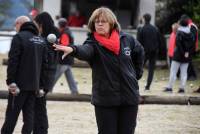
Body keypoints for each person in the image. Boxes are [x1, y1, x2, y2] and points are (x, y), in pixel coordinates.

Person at [54, 7, 144, 134]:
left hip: (129, 98)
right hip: (105, 99)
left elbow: (139, 51)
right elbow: (85, 50)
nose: (100, 24)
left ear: (111, 23)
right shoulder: (93, 43)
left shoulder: (126, 39)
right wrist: (73, 49)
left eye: (103, 21)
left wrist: (136, 74)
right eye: (97, 22)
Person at [1, 16, 46, 134]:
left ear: (19, 24)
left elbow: (13, 61)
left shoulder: (19, 37)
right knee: (29, 117)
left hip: (18, 85)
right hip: (34, 86)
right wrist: (41, 85)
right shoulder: (40, 40)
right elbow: (44, 65)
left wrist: (11, 81)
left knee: (11, 116)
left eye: (15, 25)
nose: (15, 28)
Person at [33, 12, 60, 134]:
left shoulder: (48, 39)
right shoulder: (53, 37)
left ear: (41, 24)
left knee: (39, 107)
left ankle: (42, 130)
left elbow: (45, 62)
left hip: (44, 79)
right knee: (40, 106)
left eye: (37, 24)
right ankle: (41, 129)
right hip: (48, 78)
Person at [164, 16, 195, 93]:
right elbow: (192, 44)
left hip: (178, 55)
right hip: (187, 56)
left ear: (180, 24)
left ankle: (170, 87)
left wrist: (182, 52)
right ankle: (182, 88)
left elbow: (178, 44)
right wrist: (187, 53)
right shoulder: (191, 33)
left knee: (173, 71)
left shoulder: (179, 33)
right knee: (184, 73)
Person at [52, 18, 78, 95]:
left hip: (64, 59)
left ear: (60, 26)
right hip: (68, 59)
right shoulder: (68, 31)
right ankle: (74, 91)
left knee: (55, 76)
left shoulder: (65, 33)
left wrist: (56, 46)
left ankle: (48, 89)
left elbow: (64, 45)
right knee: (70, 77)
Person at [137, 13, 161, 90]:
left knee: (139, 66)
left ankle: (135, 82)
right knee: (151, 69)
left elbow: (139, 42)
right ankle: (148, 86)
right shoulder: (155, 28)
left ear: (144, 19)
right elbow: (159, 41)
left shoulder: (142, 29)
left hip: (144, 51)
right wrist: (157, 49)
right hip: (154, 51)